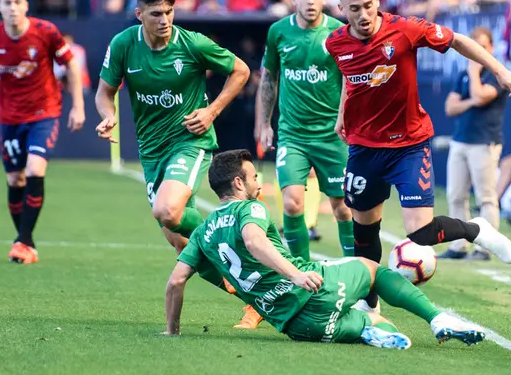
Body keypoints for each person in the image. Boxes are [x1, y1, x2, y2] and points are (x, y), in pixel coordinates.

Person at [324, 0, 511, 312]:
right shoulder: (335, 43)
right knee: (364, 232)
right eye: (355, 8)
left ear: (377, 3)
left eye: (369, 5)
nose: (364, 14)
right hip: (364, 147)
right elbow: (352, 79)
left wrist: (501, 71)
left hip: (409, 145)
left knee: (421, 233)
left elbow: (459, 40)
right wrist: (343, 113)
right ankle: (369, 305)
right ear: (342, 9)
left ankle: (476, 229)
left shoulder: (405, 29)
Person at [163, 149, 485, 349]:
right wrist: (297, 274)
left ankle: (370, 332)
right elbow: (253, 241)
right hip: (312, 291)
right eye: (252, 176)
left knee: (377, 325)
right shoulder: (251, 209)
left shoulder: (204, 232)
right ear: (237, 184)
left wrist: (172, 331)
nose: (258, 180)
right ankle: (437, 318)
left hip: (296, 326)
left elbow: (176, 282)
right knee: (372, 268)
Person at [93, 0, 260, 328]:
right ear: (139, 14)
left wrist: (212, 111)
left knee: (168, 210)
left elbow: (241, 71)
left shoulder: (192, 44)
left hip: (190, 141)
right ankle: (252, 296)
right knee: (179, 240)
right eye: (155, 13)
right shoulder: (124, 45)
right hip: (152, 151)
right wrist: (108, 117)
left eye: (169, 11)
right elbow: (104, 92)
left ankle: (226, 231)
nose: (164, 20)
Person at [0, 0, 86, 264]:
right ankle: (25, 242)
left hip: (45, 112)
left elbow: (71, 65)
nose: (13, 8)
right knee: (14, 179)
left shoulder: (45, 32)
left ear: (26, 5)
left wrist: (78, 105)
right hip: (11, 117)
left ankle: (22, 241)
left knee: (34, 169)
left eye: (18, 2)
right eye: (8, 3)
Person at [257, 0, 355, 261]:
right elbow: (269, 77)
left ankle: (357, 268)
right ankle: (300, 270)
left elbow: (349, 81)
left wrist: (343, 118)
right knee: (292, 204)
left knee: (343, 206)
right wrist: (264, 123)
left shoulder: (338, 32)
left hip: (331, 135)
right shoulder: (278, 32)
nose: (312, 1)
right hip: (293, 134)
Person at [440, 26, 509, 261]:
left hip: (484, 141)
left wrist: (473, 74)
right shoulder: (463, 75)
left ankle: (484, 248)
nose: (478, 50)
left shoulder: (497, 74)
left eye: (483, 45)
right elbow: (450, 108)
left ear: (491, 48)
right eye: (474, 45)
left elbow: (480, 96)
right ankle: (458, 246)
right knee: (456, 195)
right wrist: (471, 101)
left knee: (486, 197)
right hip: (461, 140)